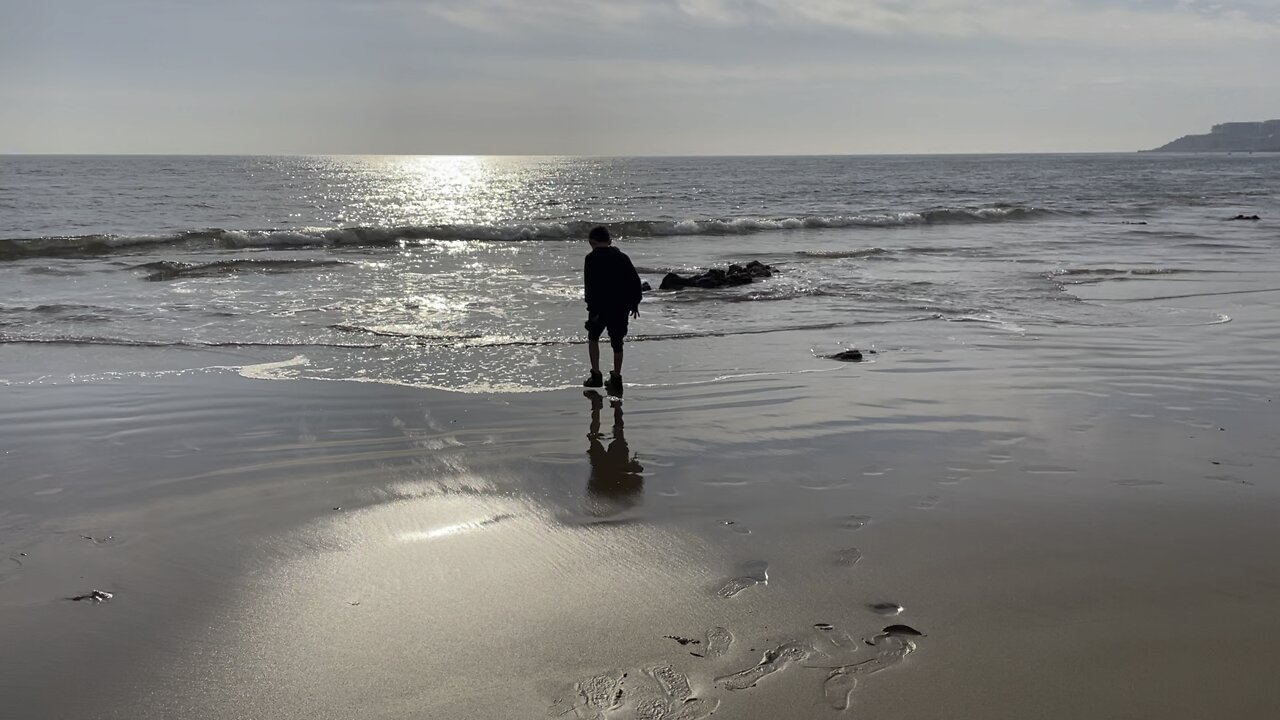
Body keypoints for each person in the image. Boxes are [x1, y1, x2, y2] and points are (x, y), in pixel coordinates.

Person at [582, 226, 642, 397]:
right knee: (617, 342)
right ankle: (616, 377)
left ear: (591, 242)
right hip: (620, 307)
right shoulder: (622, 258)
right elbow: (635, 281)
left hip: (599, 307)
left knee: (593, 338)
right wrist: (635, 303)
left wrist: (590, 306)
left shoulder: (591, 259)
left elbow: (590, 286)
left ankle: (596, 375)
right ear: (610, 241)